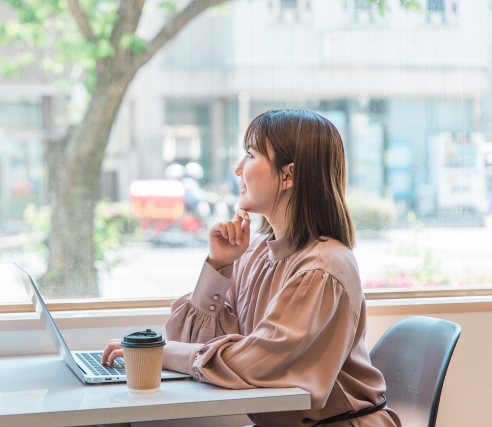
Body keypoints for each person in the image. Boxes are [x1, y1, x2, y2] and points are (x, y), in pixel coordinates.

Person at [102, 110, 401, 427]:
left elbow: (254, 364)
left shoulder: (322, 268)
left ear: (289, 176)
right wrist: (219, 266)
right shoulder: (257, 252)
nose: (238, 168)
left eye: (250, 154)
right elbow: (188, 339)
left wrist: (156, 353)